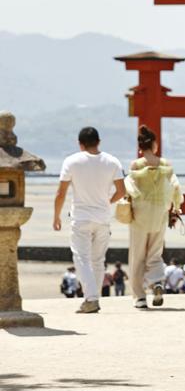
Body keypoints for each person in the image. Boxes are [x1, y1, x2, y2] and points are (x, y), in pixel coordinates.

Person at [53, 126, 126, 314]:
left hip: (81, 218)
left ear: (80, 144)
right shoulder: (112, 162)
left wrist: (56, 216)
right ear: (99, 142)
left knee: (81, 258)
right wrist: (107, 202)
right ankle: (95, 297)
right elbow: (122, 191)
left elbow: (61, 193)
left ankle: (91, 298)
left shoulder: (71, 161)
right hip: (103, 218)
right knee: (98, 260)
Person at [125, 125, 183, 309]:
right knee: (155, 252)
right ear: (155, 145)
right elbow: (175, 187)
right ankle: (157, 282)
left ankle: (140, 297)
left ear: (140, 147)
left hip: (140, 213)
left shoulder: (136, 165)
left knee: (137, 255)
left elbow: (131, 188)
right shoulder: (166, 164)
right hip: (160, 213)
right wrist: (176, 206)